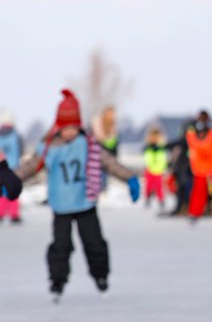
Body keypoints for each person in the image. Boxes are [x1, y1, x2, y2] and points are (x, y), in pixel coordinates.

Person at [15, 90, 139, 300]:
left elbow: (110, 163)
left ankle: (101, 275)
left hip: (85, 203)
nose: (70, 132)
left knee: (94, 243)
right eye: (65, 128)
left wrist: (129, 178)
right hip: (61, 205)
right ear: (58, 127)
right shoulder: (48, 148)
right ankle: (57, 281)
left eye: (73, 127)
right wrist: (10, 181)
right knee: (61, 247)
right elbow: (30, 167)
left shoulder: (89, 145)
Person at [172, 111, 212, 221]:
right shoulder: (190, 137)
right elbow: (177, 144)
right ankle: (195, 212)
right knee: (198, 191)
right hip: (199, 169)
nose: (201, 134)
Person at [0, 110, 24, 223]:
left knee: (2, 192)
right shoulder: (16, 136)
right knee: (13, 192)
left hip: (2, 168)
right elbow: (21, 150)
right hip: (14, 167)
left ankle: (1, 213)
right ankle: (14, 215)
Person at [142, 126, 169, 211]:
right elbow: (147, 159)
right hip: (150, 169)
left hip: (159, 170)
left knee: (159, 187)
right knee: (148, 186)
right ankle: (147, 199)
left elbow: (163, 159)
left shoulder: (162, 148)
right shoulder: (148, 148)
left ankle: (161, 200)